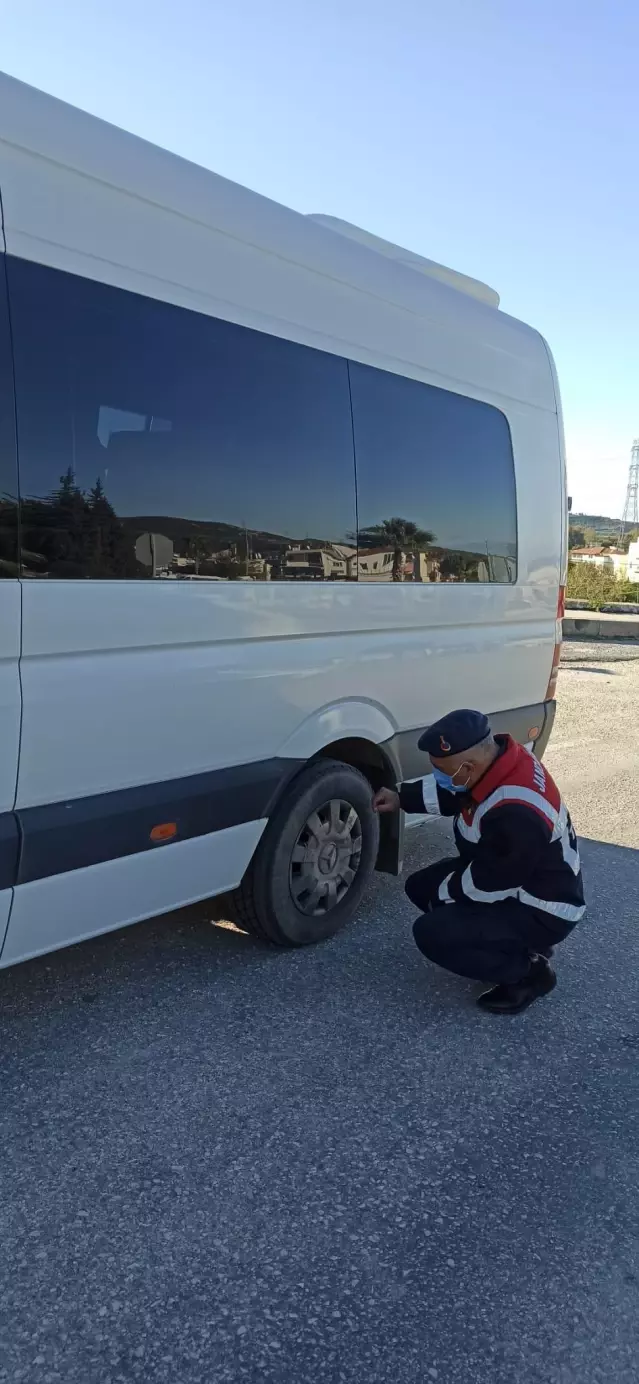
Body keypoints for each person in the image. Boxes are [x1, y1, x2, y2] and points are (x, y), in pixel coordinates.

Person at [373, 709, 585, 1014]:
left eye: (442, 771)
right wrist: (401, 797)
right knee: (420, 887)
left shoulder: (517, 812)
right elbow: (456, 792)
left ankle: (528, 973)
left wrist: (445, 895)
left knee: (431, 932)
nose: (439, 777)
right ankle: (512, 943)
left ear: (469, 766)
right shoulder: (498, 764)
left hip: (542, 907)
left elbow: (491, 881)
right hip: (514, 878)